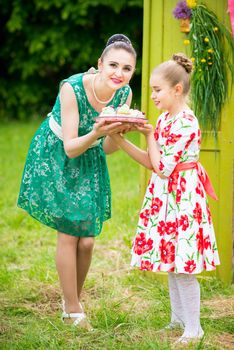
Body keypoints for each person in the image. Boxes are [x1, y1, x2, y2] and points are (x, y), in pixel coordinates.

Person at [17, 34, 136, 330]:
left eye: (127, 68)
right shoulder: (72, 88)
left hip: (90, 158)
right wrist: (98, 132)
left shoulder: (124, 95)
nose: (119, 74)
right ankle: (72, 309)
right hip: (58, 154)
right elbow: (70, 146)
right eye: (113, 65)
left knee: (88, 241)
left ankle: (73, 301)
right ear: (99, 64)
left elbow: (108, 150)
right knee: (70, 235)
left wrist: (119, 132)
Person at [110, 53, 220, 344]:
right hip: (166, 195)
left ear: (177, 90)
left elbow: (161, 166)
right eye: (151, 90)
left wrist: (147, 136)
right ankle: (178, 319)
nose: (153, 95)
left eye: (157, 90)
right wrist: (121, 140)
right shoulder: (163, 119)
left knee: (183, 265)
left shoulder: (185, 122)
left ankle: (194, 328)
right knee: (171, 261)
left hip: (183, 198)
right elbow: (151, 161)